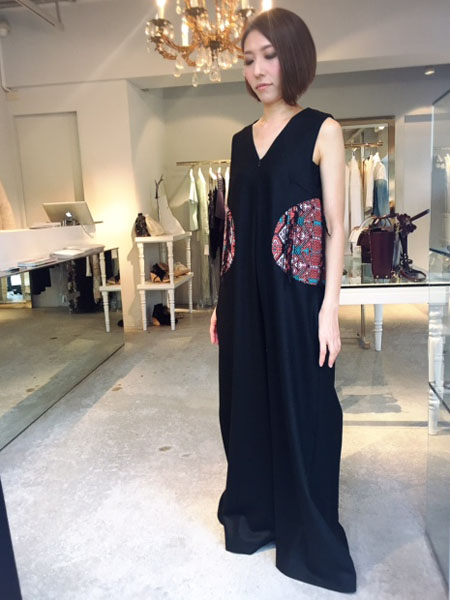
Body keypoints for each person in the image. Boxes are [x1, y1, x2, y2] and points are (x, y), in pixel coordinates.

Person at [209, 7, 357, 595]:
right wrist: (220, 302)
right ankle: (257, 514)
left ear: (293, 57)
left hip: (299, 301)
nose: (258, 70)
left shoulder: (323, 129)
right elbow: (233, 228)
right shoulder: (239, 142)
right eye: (249, 60)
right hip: (243, 301)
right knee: (245, 404)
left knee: (306, 407)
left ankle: (305, 525)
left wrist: (330, 308)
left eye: (269, 56)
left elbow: (337, 229)